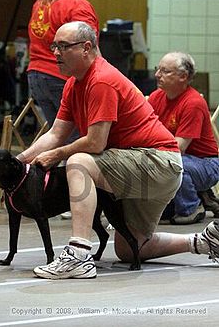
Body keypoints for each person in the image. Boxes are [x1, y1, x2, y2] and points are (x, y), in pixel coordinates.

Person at [18, 21, 219, 280]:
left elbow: (95, 143)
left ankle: (78, 254)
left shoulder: (101, 80)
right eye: (54, 46)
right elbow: (56, 134)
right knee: (131, 247)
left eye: (63, 46)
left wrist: (57, 155)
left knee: (79, 161)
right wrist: (18, 163)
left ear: (86, 48)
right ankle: (203, 242)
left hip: (159, 163)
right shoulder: (73, 84)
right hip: (145, 166)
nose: (55, 52)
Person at [27, 0, 108, 128]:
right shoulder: (78, 5)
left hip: (36, 76)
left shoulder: (44, 0)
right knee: (77, 139)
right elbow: (89, 49)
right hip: (61, 78)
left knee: (58, 137)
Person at [148, 52, 219, 225]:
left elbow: (178, 148)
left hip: (207, 163)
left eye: (165, 71)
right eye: (158, 69)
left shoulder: (192, 103)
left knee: (173, 164)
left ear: (183, 77)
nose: (157, 75)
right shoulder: (157, 97)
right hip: (182, 158)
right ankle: (202, 194)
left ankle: (192, 207)